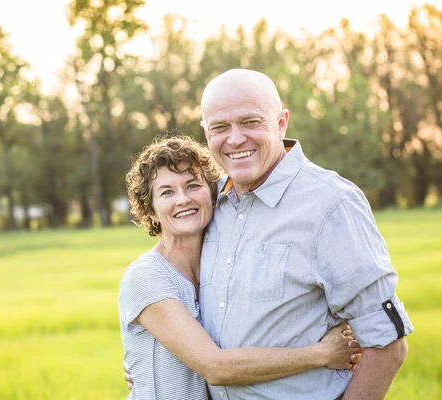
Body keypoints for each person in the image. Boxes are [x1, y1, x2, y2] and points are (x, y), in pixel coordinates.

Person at [197, 68, 414, 399]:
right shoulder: (206, 205)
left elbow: (388, 343)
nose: (235, 138)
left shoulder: (330, 203)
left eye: (251, 122)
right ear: (205, 132)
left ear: (282, 122)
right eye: (220, 127)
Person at [119, 135, 362, 399]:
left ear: (213, 195)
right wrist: (322, 353)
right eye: (167, 192)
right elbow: (214, 367)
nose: (183, 199)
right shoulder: (146, 277)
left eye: (192, 185)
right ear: (150, 209)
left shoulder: (219, 263)